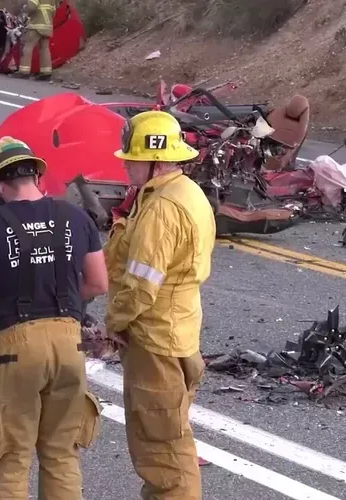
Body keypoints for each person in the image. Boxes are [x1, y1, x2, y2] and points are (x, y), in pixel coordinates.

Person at [0, 136, 109, 499]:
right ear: (37, 178)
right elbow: (98, 282)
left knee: (9, 453)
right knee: (61, 453)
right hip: (68, 340)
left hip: (17, 344)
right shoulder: (75, 217)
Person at [103, 110, 216, 499]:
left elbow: (140, 285)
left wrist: (113, 323)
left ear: (156, 159)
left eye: (132, 158)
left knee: (163, 454)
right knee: (169, 438)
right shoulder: (183, 192)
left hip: (155, 341)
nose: (126, 164)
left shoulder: (162, 209)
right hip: (178, 332)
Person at [13, 0, 57, 80]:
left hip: (35, 25)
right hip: (47, 26)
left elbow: (32, 6)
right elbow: (53, 12)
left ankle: (24, 71)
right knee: (44, 49)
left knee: (27, 47)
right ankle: (46, 73)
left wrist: (24, 8)